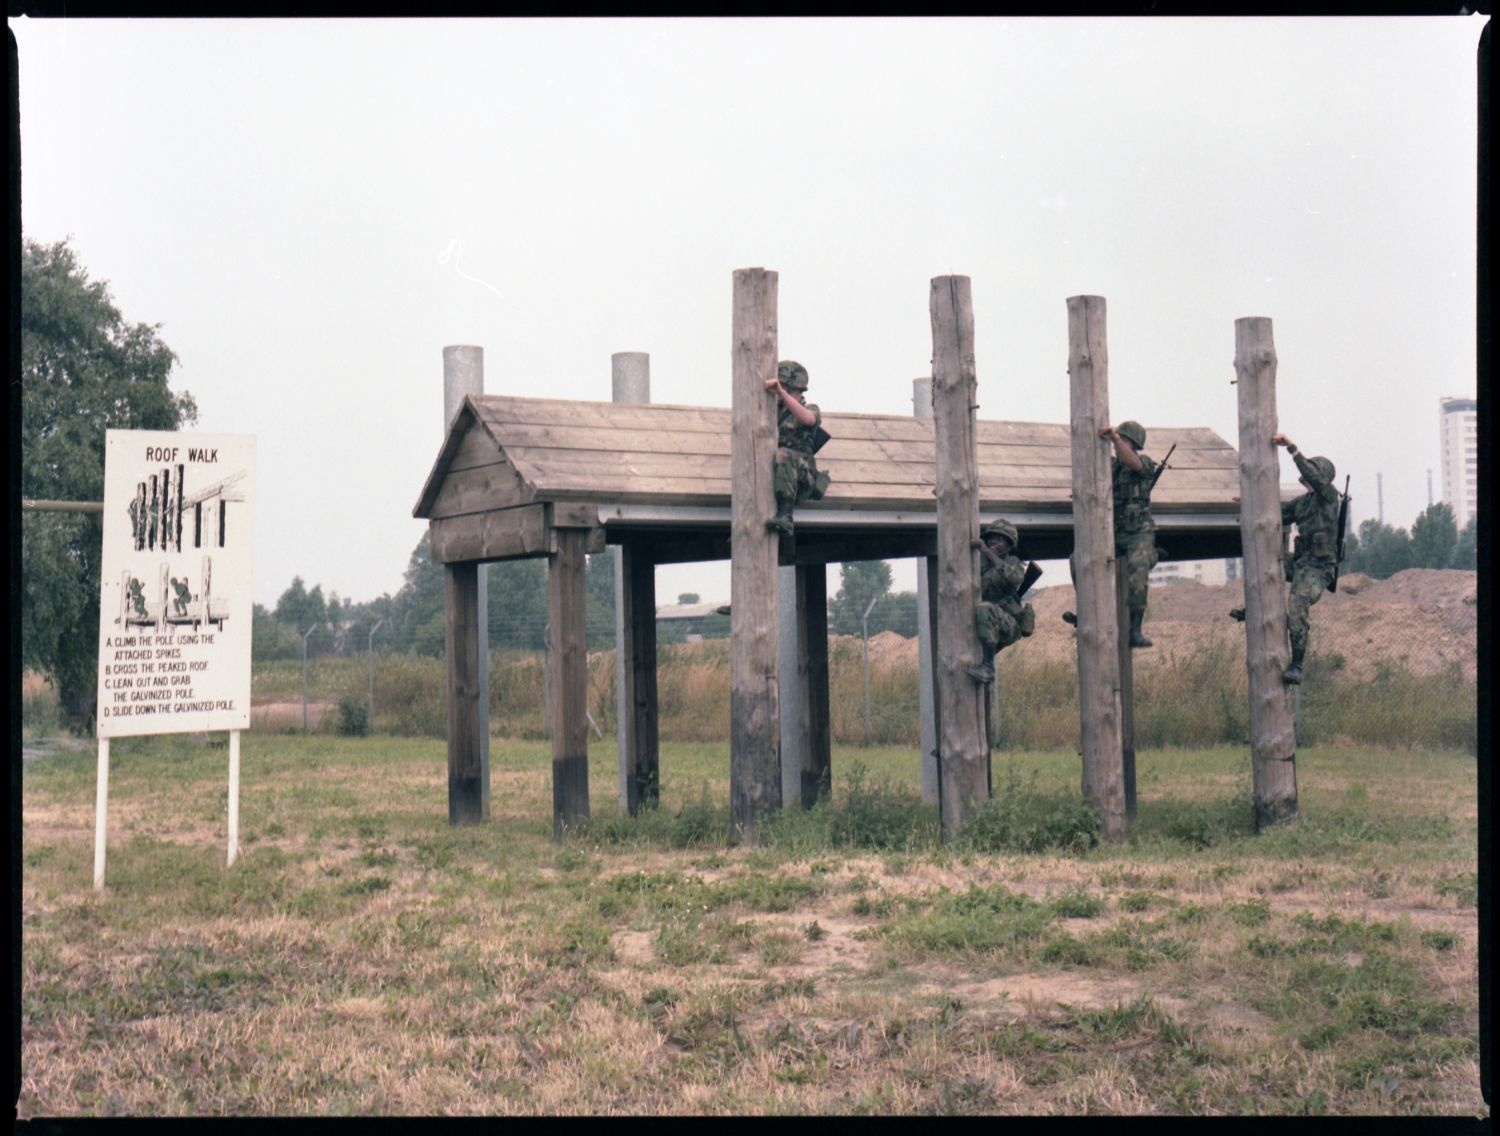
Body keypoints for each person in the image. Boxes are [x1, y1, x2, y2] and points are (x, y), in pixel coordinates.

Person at [1230, 433, 1340, 685]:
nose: (1306, 480)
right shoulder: (1304, 503)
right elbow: (1275, 512)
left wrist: (1292, 449)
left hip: (1319, 569)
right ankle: (1256, 608)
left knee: (1298, 604)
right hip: (1301, 564)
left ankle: (1297, 665)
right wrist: (1249, 502)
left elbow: (1314, 477)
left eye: (1312, 475)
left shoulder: (1329, 498)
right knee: (1268, 563)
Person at [765, 360, 830, 537]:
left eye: (786, 389)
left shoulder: (809, 408)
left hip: (802, 478)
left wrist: (781, 393)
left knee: (783, 455)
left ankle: (786, 516)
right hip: (780, 476)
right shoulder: (773, 411)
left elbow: (809, 419)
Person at [967, 519, 1037, 684]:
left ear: (1009, 545)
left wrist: (987, 551)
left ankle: (988, 668)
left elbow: (1015, 577)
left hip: (1009, 625)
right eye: (991, 538)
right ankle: (983, 666)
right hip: (988, 623)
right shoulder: (980, 562)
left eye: (1000, 539)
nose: (993, 542)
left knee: (985, 609)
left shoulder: (1012, 562)